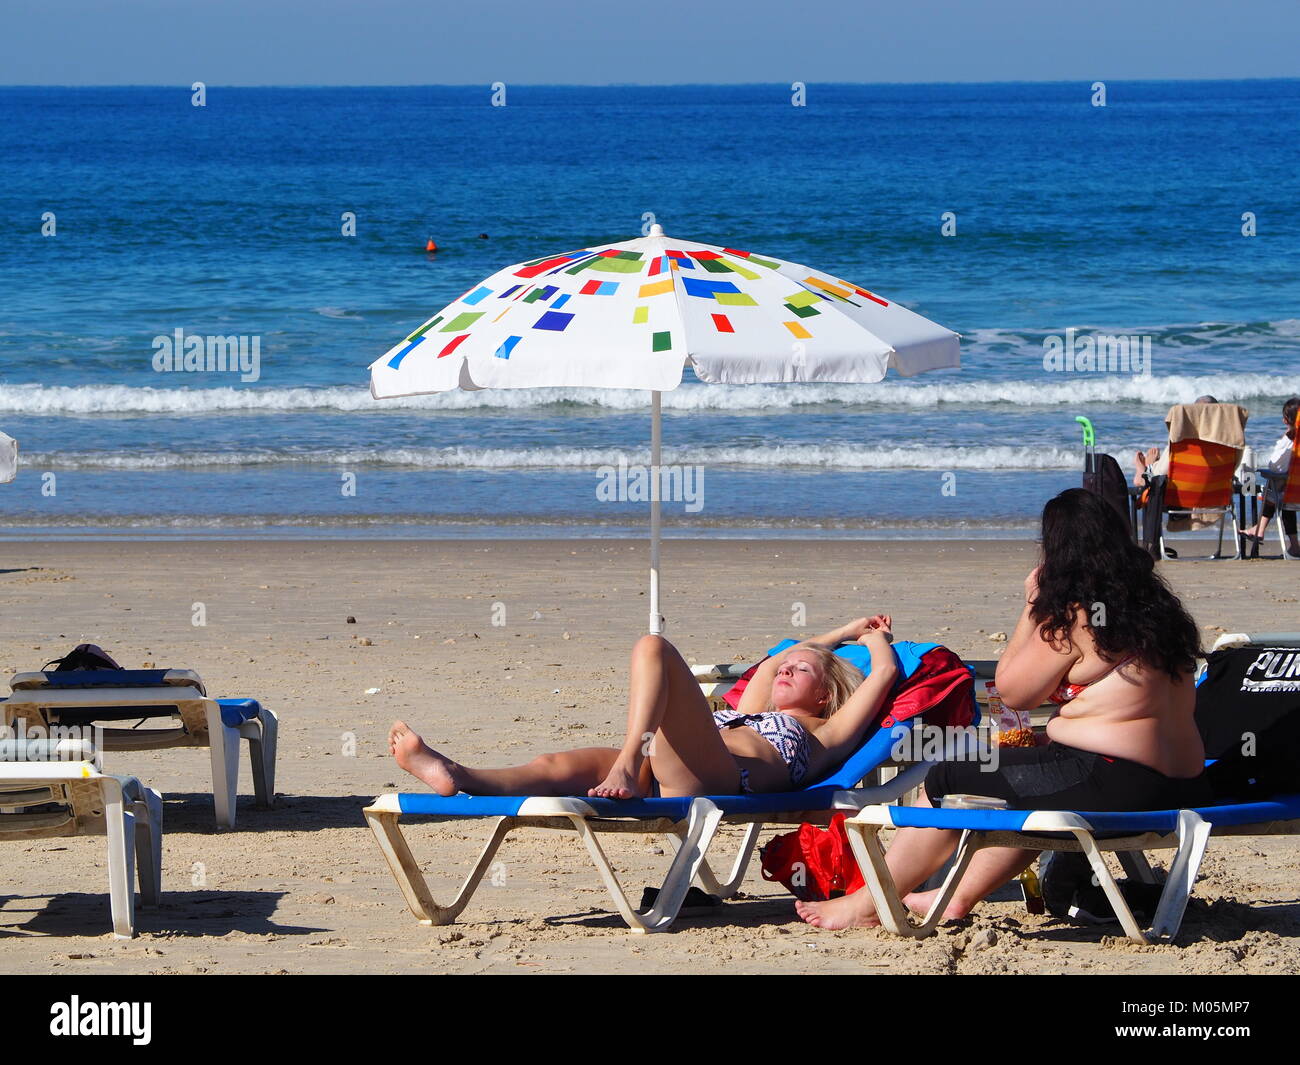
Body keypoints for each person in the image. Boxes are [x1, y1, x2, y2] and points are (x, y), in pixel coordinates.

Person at [797, 488, 1209, 931]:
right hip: (1181, 787)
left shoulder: (1078, 616)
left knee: (947, 777)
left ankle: (868, 903)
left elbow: (1013, 691)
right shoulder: (1160, 613)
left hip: (1112, 781)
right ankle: (953, 896)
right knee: (1025, 784)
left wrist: (1033, 604)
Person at [389, 616, 899, 800]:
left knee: (653, 647)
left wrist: (876, 639)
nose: (786, 670)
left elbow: (884, 674)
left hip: (720, 778)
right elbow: (779, 655)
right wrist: (841, 632)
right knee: (549, 769)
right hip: (666, 766)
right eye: (789, 666)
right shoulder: (757, 702)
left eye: (802, 671)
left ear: (826, 695)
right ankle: (456, 773)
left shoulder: (825, 737)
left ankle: (628, 760)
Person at [1239, 396, 1300, 557]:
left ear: (1289, 421)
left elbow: (1275, 465)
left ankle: (1259, 529)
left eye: (1285, 417)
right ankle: (1260, 530)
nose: (1282, 420)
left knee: (1276, 488)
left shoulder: (1290, 441)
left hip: (1294, 494)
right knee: (1280, 490)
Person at [1132, 394, 1218, 486]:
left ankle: (1147, 469)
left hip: (1179, 498)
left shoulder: (1181, 444)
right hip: (1217, 497)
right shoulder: (1229, 447)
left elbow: (1159, 475)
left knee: (1157, 471)